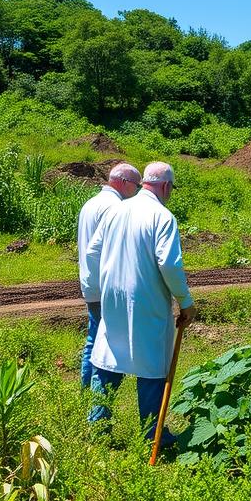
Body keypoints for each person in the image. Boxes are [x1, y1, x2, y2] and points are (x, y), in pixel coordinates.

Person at [81, 161, 196, 446]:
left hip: (113, 297)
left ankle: (97, 426)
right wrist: (185, 301)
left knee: (109, 354)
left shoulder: (117, 210)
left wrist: (105, 281)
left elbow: (93, 250)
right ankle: (152, 433)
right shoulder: (162, 216)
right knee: (152, 361)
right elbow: (169, 264)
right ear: (166, 186)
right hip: (147, 301)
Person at [77, 162, 142, 388]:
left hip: (89, 281)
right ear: (124, 183)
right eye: (137, 185)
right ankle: (95, 390)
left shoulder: (91, 203)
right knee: (103, 342)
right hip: (105, 285)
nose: (138, 191)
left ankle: (86, 388)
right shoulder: (114, 208)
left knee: (93, 335)